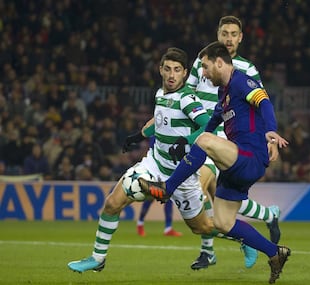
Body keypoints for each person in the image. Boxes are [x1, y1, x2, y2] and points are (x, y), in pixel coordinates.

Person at [68, 47, 255, 275]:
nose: (171, 75)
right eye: (167, 69)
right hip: (154, 164)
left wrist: (185, 140)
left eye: (177, 70)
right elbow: (160, 122)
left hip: (182, 175)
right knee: (112, 203)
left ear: (185, 73)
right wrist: (139, 136)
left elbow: (210, 126)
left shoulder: (186, 99)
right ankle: (98, 258)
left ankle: (244, 239)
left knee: (202, 227)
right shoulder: (160, 94)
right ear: (160, 70)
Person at [139, 42, 291, 284]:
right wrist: (188, 141)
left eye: (207, 68)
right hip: (237, 165)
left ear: (220, 62)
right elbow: (209, 125)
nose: (204, 74)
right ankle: (275, 253)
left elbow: (265, 102)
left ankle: (167, 189)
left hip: (250, 156)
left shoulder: (242, 82)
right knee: (222, 223)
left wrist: (271, 131)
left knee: (206, 141)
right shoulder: (225, 93)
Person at [186, 15, 281, 269]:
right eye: (224, 33)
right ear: (218, 34)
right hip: (203, 134)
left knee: (199, 185)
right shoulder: (202, 62)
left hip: (228, 141)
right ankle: (267, 216)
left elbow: (261, 104)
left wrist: (269, 137)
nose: (229, 38)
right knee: (218, 200)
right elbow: (187, 94)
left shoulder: (247, 70)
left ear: (240, 38)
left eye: (233, 34)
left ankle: (208, 251)